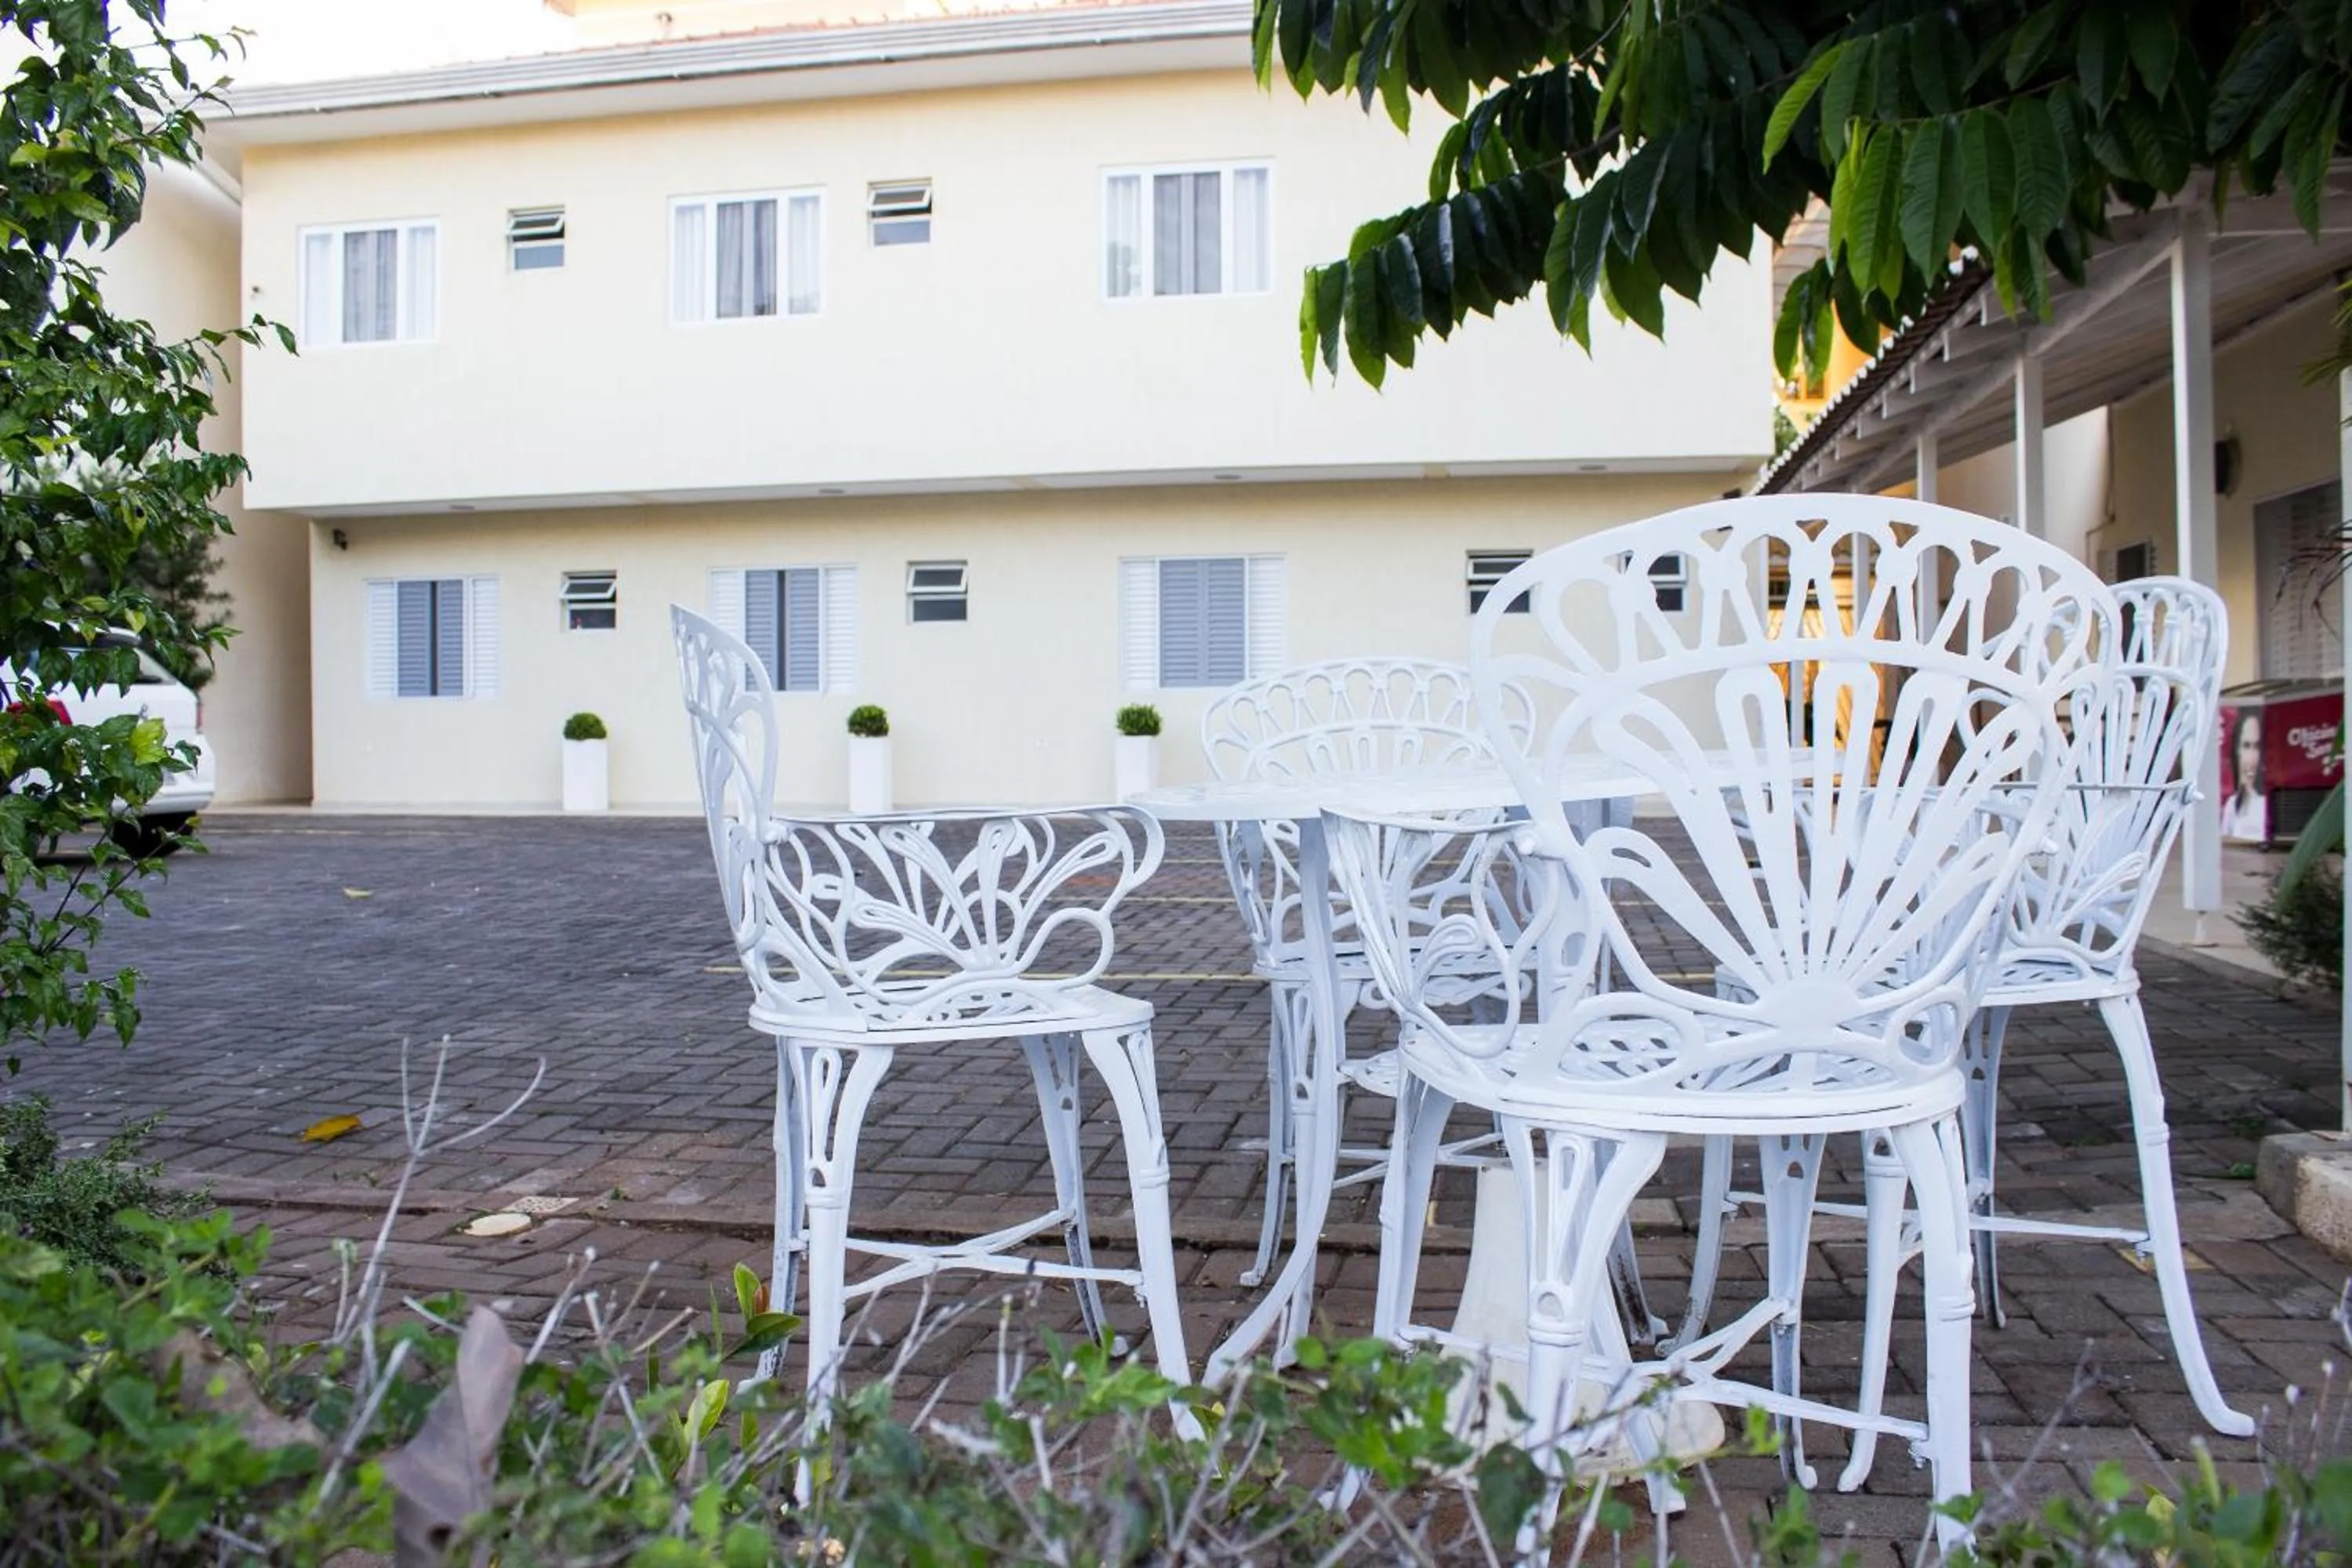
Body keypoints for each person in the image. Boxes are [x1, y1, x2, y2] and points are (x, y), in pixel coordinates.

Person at [2220, 707, 2266, 840]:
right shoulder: (2232, 804)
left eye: (2256, 747)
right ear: (2237, 750)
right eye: (2246, 746)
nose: (2251, 757)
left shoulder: (2265, 804)